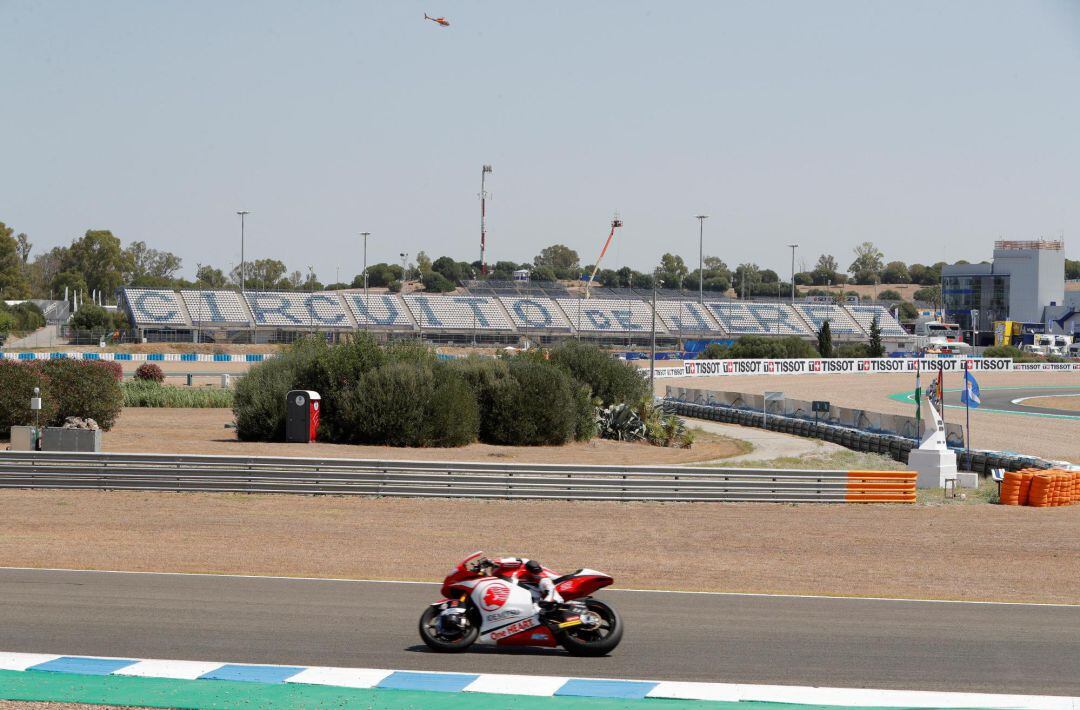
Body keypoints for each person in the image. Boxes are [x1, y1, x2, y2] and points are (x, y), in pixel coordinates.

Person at [480, 556, 563, 608]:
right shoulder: (496, 579)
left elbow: (520, 561)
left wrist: (493, 561)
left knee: (532, 565)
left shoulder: (520, 565)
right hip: (534, 593)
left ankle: (552, 597)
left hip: (557, 582)